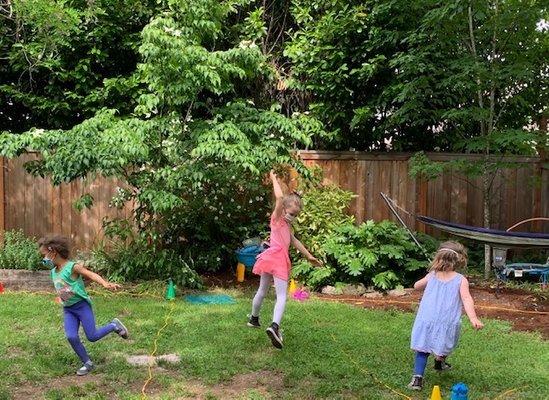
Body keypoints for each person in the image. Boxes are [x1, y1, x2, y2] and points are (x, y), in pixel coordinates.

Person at [247, 170, 322, 349]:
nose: (293, 217)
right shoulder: (276, 219)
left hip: (269, 258)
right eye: (291, 213)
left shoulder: (287, 227)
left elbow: (295, 242)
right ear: (284, 209)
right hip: (277, 259)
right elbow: (280, 198)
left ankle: (254, 319)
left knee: (263, 290)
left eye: (296, 215)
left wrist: (309, 256)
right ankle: (274, 326)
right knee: (281, 295)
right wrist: (273, 178)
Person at [38, 235, 129, 376]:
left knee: (92, 336)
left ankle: (113, 326)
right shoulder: (53, 272)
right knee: (71, 336)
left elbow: (90, 274)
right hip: (69, 310)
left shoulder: (72, 267)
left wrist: (105, 283)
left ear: (53, 252)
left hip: (82, 307)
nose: (43, 259)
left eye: (44, 255)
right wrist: (61, 298)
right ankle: (87, 363)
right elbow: (63, 287)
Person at [408, 241, 484, 390]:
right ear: (459, 260)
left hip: (426, 319)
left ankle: (417, 379)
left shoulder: (431, 276)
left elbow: (416, 286)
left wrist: (426, 278)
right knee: (444, 343)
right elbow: (467, 299)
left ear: (438, 258)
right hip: (447, 321)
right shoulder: (461, 280)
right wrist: (473, 318)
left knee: (422, 349)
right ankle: (440, 362)